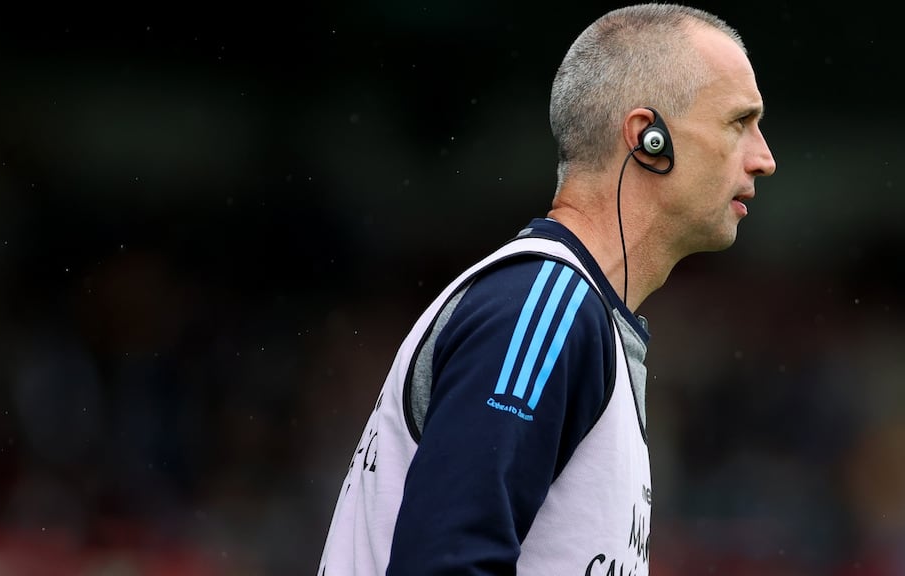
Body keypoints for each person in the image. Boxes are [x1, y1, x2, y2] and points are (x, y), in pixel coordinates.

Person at [316, 3, 776, 574]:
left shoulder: (568, 308)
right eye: (739, 123)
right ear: (647, 138)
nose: (765, 159)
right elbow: (447, 562)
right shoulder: (546, 305)